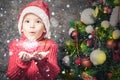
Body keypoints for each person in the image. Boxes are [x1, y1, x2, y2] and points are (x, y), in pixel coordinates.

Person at [6, 0, 60, 80]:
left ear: (45, 28)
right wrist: (23, 62)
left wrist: (42, 62)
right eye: (27, 21)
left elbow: (52, 76)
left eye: (38, 22)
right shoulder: (15, 45)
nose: (32, 26)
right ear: (21, 27)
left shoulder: (50, 45)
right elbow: (12, 76)